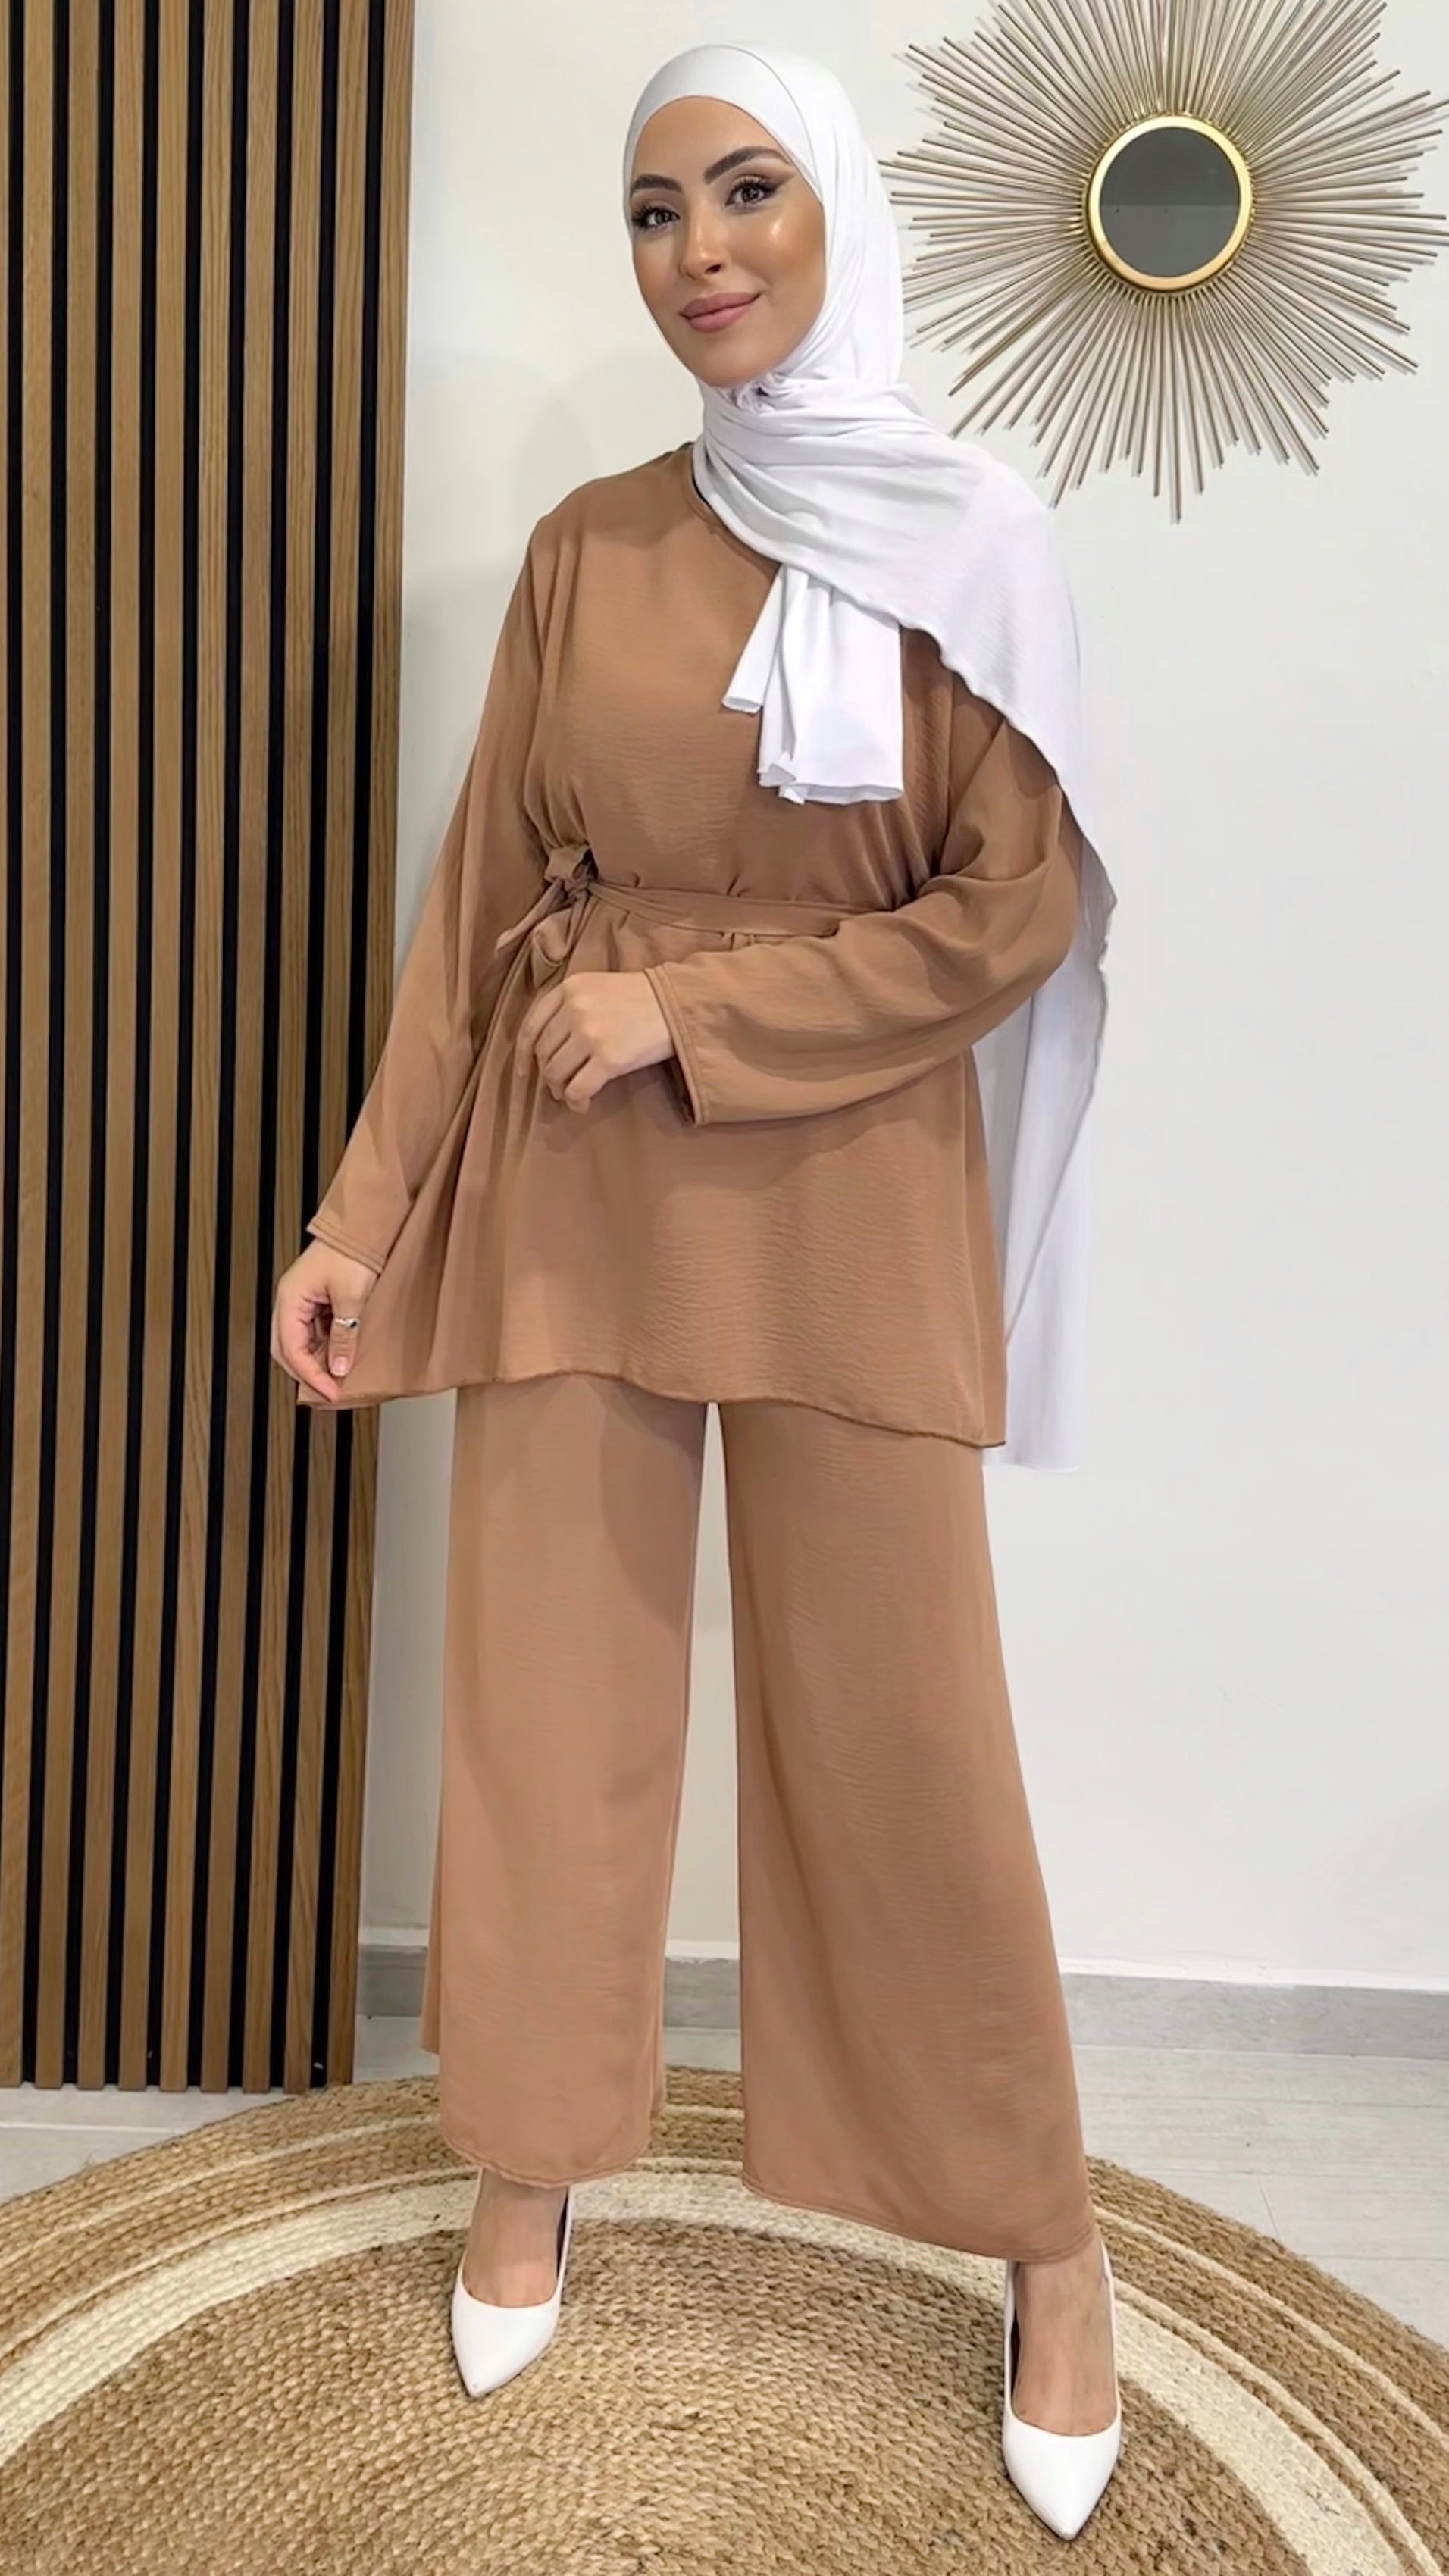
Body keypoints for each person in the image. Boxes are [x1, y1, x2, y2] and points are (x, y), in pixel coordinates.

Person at [271, 39, 1120, 2538]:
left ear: (836, 211)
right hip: (570, 1182)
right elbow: (474, 912)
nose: (700, 252)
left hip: (847, 1180)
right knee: (553, 1711)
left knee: (903, 1735)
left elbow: (1016, 908)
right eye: (655, 212)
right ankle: (531, 2155)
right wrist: (357, 1218)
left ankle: (1043, 2232)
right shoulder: (588, 546)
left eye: (747, 193)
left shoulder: (971, 539)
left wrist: (696, 1015)